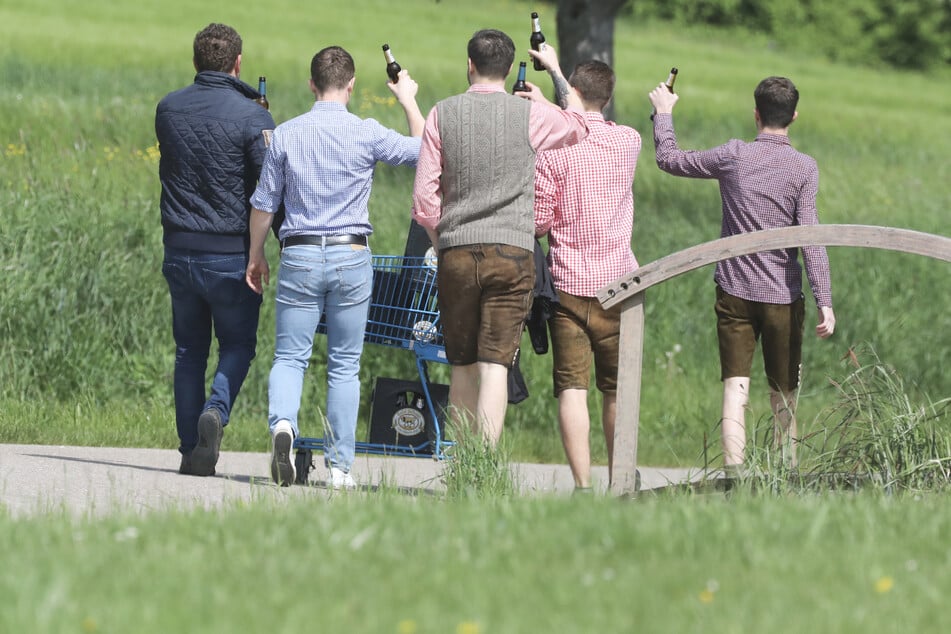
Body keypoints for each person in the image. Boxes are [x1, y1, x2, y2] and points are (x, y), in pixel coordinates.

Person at [245, 46, 424, 488]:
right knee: (344, 364)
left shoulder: (286, 133)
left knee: (290, 356)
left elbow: (264, 206)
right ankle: (341, 468)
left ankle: (283, 426)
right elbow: (425, 151)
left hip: (300, 253)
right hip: (351, 254)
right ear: (351, 85)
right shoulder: (366, 133)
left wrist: (256, 255)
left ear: (311, 84)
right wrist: (407, 99)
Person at [648, 76, 836, 474]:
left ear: (755, 114)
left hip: (734, 291)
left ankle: (734, 478)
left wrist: (663, 115)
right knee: (783, 394)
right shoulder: (804, 168)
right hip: (783, 296)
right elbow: (811, 237)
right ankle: (785, 473)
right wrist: (825, 300)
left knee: (736, 387)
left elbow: (670, 160)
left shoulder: (734, 155)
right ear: (794, 117)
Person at [411, 29, 589, 447]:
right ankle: (483, 465)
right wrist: (556, 74)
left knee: (461, 364)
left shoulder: (442, 113)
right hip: (512, 253)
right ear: (510, 70)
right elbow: (580, 125)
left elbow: (423, 200)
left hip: (456, 252)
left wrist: (444, 242)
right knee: (495, 364)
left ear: (469, 64)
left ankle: (458, 464)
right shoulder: (529, 115)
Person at [156, 23, 275, 477]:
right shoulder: (253, 116)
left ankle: (191, 451)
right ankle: (216, 410)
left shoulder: (168, 108)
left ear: (195, 62)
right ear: (238, 63)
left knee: (188, 351)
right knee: (239, 344)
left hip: (179, 247)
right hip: (231, 254)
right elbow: (269, 184)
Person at [529, 60, 641, 492]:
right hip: (619, 283)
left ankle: (581, 485)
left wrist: (551, 100)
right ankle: (620, 482)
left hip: (568, 283)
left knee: (572, 387)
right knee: (615, 389)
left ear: (572, 90)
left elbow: (540, 221)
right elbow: (579, 115)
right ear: (608, 97)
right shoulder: (629, 141)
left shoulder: (553, 151)